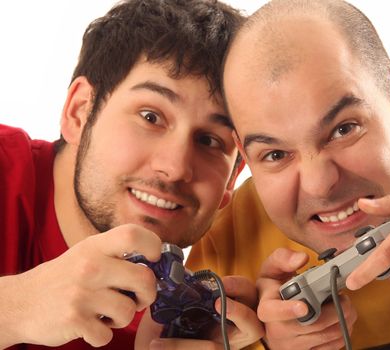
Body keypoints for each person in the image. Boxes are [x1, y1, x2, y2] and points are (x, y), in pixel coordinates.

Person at [187, 0, 390, 348]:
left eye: (343, 129)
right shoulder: (225, 245)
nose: (320, 184)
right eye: (275, 154)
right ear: (245, 157)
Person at [0, 0, 264, 349]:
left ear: (232, 178)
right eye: (151, 117)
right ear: (79, 112)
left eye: (210, 141)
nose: (176, 167)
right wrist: (15, 309)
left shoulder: (198, 316)